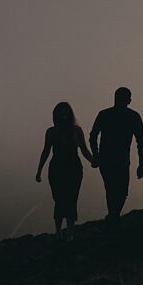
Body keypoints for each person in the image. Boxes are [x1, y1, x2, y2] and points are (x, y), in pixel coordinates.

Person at [35, 101, 95, 239]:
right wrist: (39, 171)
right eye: (61, 113)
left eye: (66, 112)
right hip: (57, 168)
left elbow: (84, 149)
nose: (64, 115)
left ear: (70, 114)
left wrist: (93, 161)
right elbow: (46, 151)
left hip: (73, 168)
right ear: (56, 115)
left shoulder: (76, 131)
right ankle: (58, 230)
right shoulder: (51, 132)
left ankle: (69, 231)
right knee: (59, 199)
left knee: (72, 199)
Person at [89, 86, 143, 220]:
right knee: (117, 190)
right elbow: (140, 143)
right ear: (129, 100)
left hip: (112, 159)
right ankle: (114, 216)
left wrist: (96, 155)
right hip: (116, 160)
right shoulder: (132, 116)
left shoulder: (105, 115)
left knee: (113, 190)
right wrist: (141, 164)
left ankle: (113, 216)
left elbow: (93, 136)